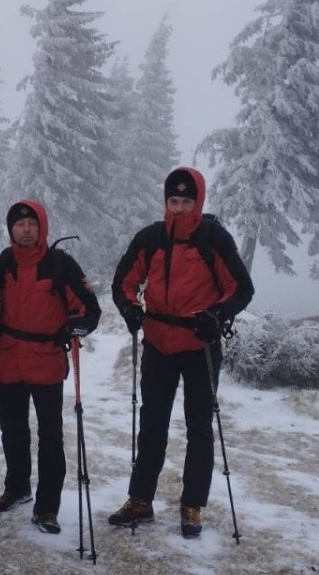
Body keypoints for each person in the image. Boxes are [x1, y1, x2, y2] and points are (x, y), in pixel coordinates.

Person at [109, 167, 254, 538]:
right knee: (152, 425)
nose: (178, 208)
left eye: (185, 201)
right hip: (158, 343)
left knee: (199, 427)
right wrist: (130, 309)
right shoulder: (151, 238)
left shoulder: (213, 238)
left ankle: (192, 505)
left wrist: (218, 315)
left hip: (199, 346)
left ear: (198, 201)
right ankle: (141, 500)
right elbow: (124, 282)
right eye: (173, 201)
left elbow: (240, 287)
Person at [0, 201, 101, 534]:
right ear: (10, 229)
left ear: (42, 227)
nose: (25, 229)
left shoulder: (60, 264)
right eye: (19, 224)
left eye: (31, 224)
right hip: (9, 359)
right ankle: (17, 486)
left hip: (47, 361)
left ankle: (47, 506)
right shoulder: (4, 262)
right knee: (12, 431)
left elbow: (90, 310)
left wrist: (74, 327)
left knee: (50, 437)